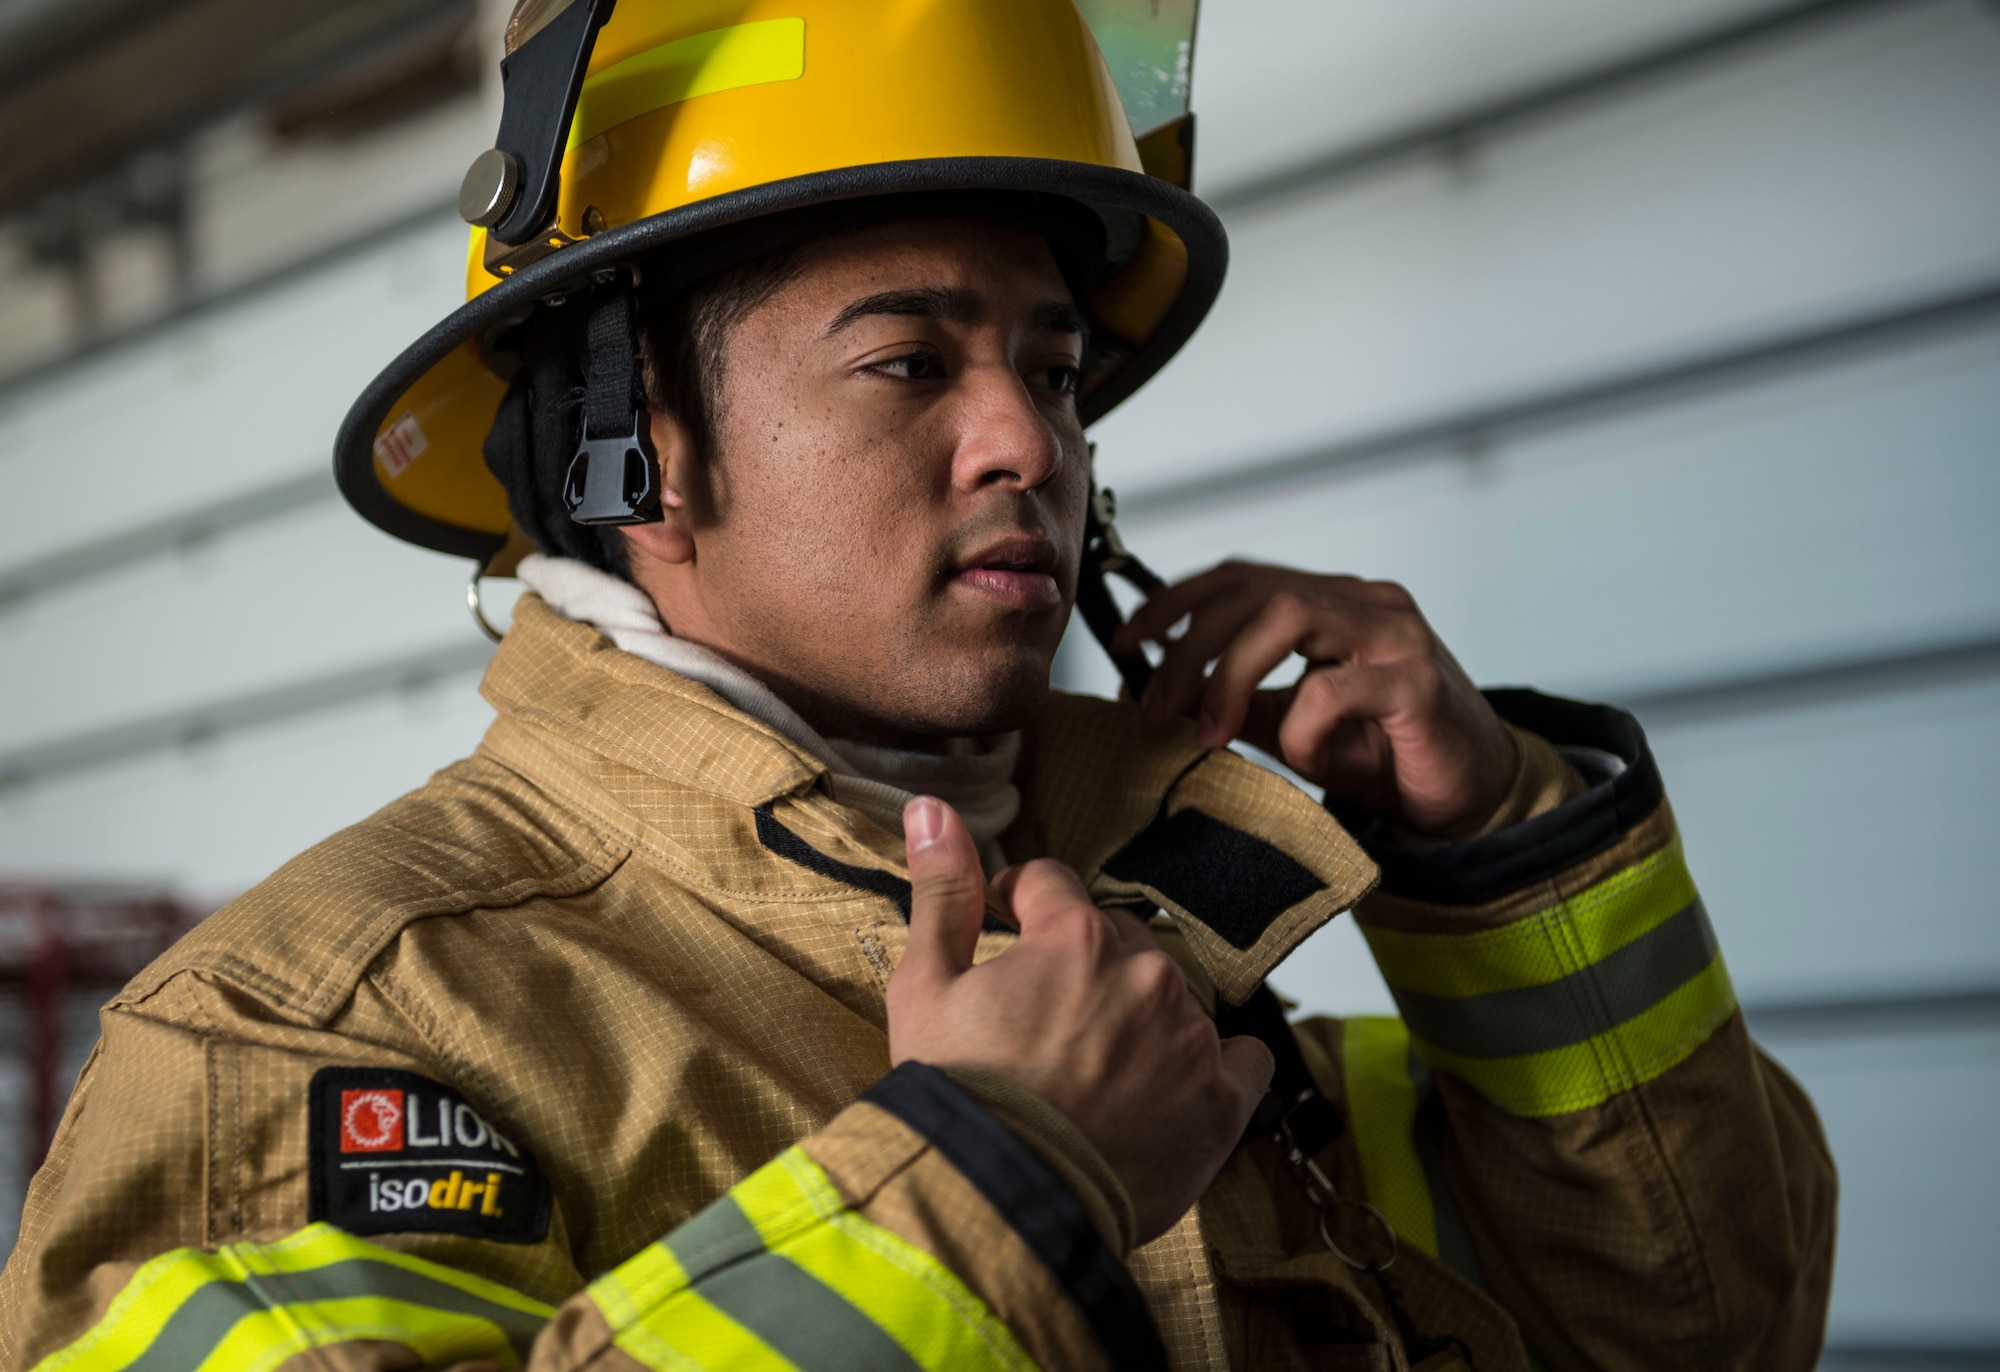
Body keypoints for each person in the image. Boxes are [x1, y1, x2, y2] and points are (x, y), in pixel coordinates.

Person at [0, 2, 1836, 1368]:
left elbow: (1699, 1333)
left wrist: (1499, 850)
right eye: (905, 363)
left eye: (1050, 367)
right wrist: (995, 1182)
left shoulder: (1154, 955)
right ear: (622, 450)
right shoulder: (322, 1037)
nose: (1023, 441)